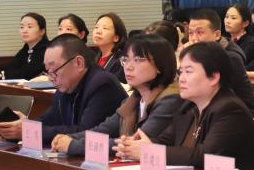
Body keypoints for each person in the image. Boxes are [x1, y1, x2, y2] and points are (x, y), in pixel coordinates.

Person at [115, 41, 254, 170]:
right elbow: (163, 141)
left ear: (214, 77)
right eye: (180, 72)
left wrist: (150, 151)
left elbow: (205, 156)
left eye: (188, 72)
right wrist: (133, 146)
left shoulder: (230, 110)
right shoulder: (188, 107)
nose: (181, 79)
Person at [50, 33, 181, 157]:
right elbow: (103, 130)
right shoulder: (134, 100)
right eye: (125, 60)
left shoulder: (170, 99)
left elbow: (135, 144)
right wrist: (69, 138)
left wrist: (73, 145)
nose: (128, 67)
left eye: (137, 60)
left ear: (159, 65)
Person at [0, 34, 127, 145]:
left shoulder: (102, 84)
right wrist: (21, 128)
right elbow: (49, 119)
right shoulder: (66, 85)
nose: (51, 78)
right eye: (48, 71)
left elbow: (85, 132)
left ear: (78, 63)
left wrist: (29, 131)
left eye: (54, 70)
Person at [184, 9, 254, 116]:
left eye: (200, 32)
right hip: (213, 113)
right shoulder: (199, 55)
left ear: (217, 35)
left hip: (238, 116)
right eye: (191, 33)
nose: (194, 38)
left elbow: (211, 95)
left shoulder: (230, 58)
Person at [0, 12, 49, 81]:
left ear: (42, 31)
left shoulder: (47, 50)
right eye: (22, 27)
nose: (24, 31)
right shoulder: (26, 49)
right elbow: (11, 67)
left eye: (29, 27)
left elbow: (25, 74)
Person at [92, 12, 128, 83]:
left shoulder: (120, 62)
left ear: (116, 37)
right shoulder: (95, 57)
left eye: (105, 28)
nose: (98, 31)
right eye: (96, 27)